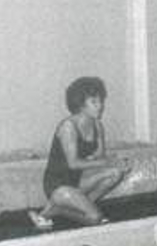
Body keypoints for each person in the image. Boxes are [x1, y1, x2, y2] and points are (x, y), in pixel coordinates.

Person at [29, 76, 131, 229]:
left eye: (101, 101)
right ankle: (60, 209)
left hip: (78, 182)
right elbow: (74, 163)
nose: (100, 106)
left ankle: (60, 209)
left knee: (116, 173)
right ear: (81, 105)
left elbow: (99, 157)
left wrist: (117, 161)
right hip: (59, 187)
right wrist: (107, 164)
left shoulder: (98, 126)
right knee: (95, 218)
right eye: (94, 102)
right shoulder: (68, 127)